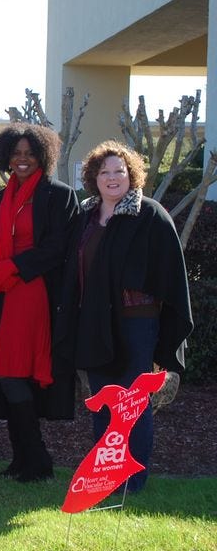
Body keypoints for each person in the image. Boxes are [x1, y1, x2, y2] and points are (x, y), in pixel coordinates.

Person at [57, 141, 192, 492]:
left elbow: (171, 274)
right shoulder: (85, 216)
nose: (112, 177)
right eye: (105, 172)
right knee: (102, 399)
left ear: (131, 175)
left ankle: (134, 481)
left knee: (131, 402)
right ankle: (105, 476)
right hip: (95, 323)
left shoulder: (149, 214)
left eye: (119, 171)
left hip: (136, 324)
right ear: (93, 177)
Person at [0, 123, 78, 483]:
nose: (22, 159)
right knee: (7, 375)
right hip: (1, 298)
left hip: (35, 295)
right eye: (16, 153)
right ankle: (26, 459)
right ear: (7, 156)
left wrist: (11, 268)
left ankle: (36, 459)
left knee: (14, 373)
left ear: (43, 156)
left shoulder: (60, 196)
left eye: (30, 153)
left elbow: (56, 249)